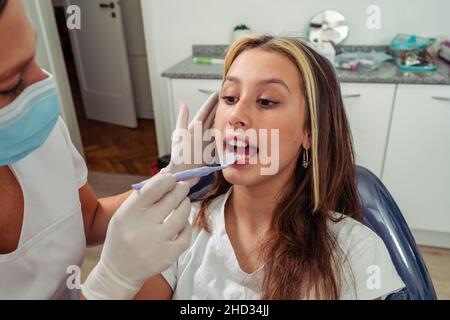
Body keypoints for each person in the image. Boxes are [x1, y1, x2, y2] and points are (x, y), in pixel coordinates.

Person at [134, 35, 406, 300]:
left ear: (309, 132)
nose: (236, 116)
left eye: (266, 101)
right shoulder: (179, 229)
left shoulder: (354, 252)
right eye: (229, 98)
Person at [0, 0, 216, 300]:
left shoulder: (40, 132)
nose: (42, 85)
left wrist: (175, 175)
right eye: (9, 84)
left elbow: (89, 219)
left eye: (33, 57)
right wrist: (110, 282)